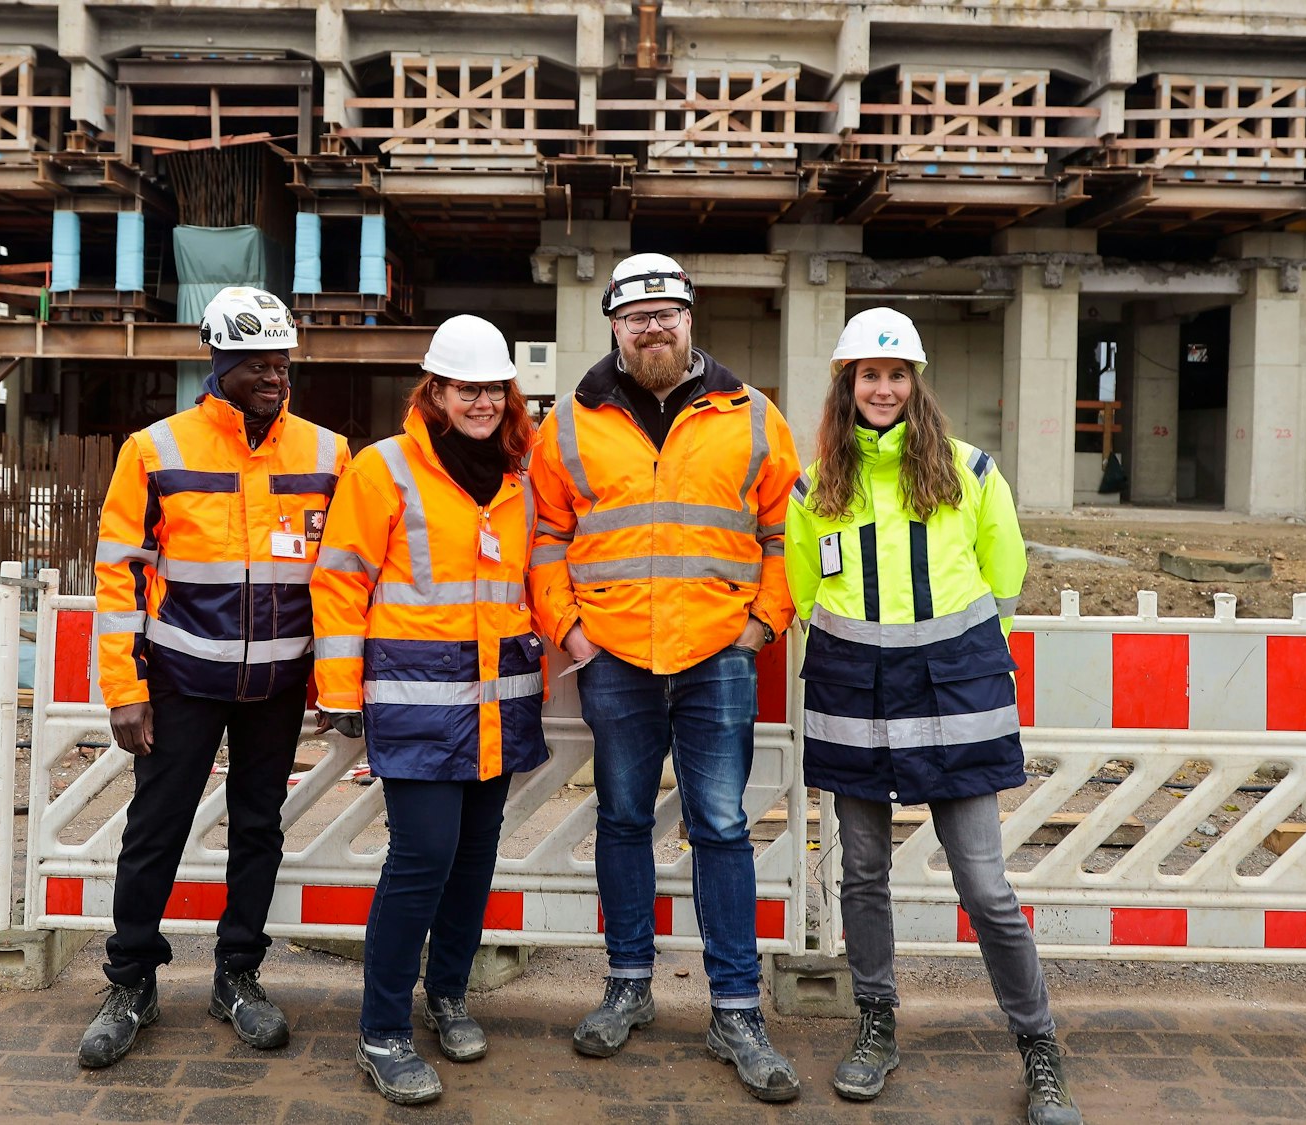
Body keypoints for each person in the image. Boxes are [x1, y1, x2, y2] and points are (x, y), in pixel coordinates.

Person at [782, 307, 1081, 1124]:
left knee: (984, 885)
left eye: (896, 374)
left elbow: (1004, 577)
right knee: (862, 874)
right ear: (847, 385)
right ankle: (876, 1023)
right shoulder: (814, 487)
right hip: (855, 696)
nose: (883, 388)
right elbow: (805, 594)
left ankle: (1039, 1046)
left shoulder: (971, 470)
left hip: (956, 694)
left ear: (916, 383)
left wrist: (962, 660)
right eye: (868, 375)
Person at [528, 253, 803, 1102]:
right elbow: (546, 536)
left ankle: (735, 1009)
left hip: (718, 653)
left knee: (722, 825)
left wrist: (762, 622)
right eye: (635, 316)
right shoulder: (568, 423)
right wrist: (571, 632)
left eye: (666, 313)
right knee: (621, 819)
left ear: (690, 319)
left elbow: (785, 532)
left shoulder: (752, 415)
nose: (652, 327)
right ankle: (629, 984)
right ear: (614, 325)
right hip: (615, 655)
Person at [79, 285, 350, 1069]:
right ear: (220, 363)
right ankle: (130, 981)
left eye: (282, 364)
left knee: (258, 829)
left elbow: (344, 576)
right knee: (155, 829)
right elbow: (120, 575)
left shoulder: (328, 454)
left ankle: (238, 975)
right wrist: (126, 690)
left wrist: (335, 683)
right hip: (181, 679)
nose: (274, 377)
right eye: (258, 364)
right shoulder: (156, 449)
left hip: (278, 686)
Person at [310, 315, 549, 1106]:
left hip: (498, 702)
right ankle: (381, 1029)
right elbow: (341, 579)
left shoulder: (518, 476)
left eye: (493, 389)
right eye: (465, 388)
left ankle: (447, 993)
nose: (481, 402)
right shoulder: (384, 467)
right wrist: (339, 688)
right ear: (435, 391)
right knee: (421, 859)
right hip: (417, 703)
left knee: (475, 857)